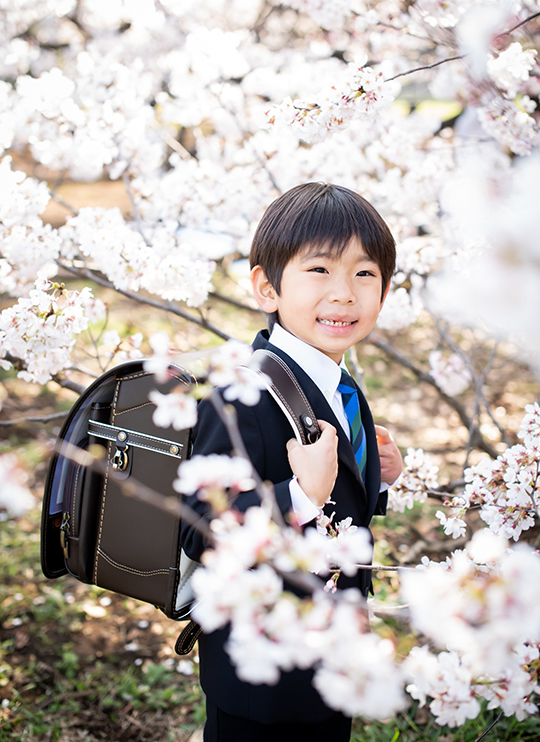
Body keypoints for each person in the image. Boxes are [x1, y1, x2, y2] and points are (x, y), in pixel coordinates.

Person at [181, 182, 403, 742]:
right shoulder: (243, 394)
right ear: (266, 287)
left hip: (331, 643)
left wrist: (377, 481)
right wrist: (296, 495)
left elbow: (338, 492)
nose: (345, 294)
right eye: (319, 271)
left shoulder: (336, 379)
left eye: (365, 273)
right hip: (263, 672)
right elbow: (198, 525)